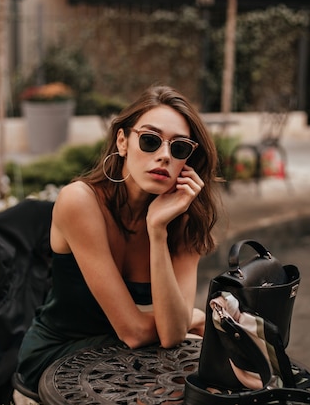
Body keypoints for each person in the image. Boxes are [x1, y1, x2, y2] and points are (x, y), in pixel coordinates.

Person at [16, 85, 221, 393]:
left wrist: (157, 230)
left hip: (127, 356)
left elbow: (171, 334)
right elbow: (137, 332)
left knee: (212, 382)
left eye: (179, 148)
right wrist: (191, 316)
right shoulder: (80, 202)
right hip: (60, 356)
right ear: (123, 142)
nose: (164, 155)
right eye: (150, 141)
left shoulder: (183, 221)